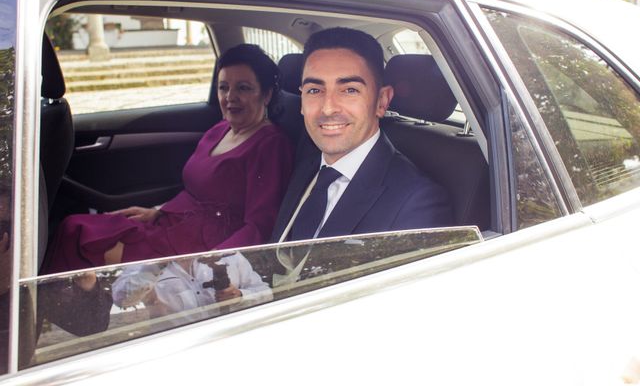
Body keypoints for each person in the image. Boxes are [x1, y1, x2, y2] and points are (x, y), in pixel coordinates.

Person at [43, 44, 294, 274]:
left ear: (267, 95)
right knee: (72, 226)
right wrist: (157, 212)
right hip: (173, 224)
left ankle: (59, 312)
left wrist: (210, 264)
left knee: (81, 243)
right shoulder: (220, 129)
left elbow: (259, 227)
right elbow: (194, 191)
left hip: (202, 248)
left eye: (244, 88)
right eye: (223, 87)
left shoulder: (271, 145)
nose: (230, 97)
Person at [270, 27, 452, 243]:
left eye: (349, 90)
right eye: (314, 90)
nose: (328, 109)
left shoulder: (417, 203)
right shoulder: (309, 168)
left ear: (381, 101)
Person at [112, 252, 272, 320]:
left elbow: (267, 293)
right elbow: (121, 300)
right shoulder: (144, 264)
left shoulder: (229, 254)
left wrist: (241, 296)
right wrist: (156, 266)